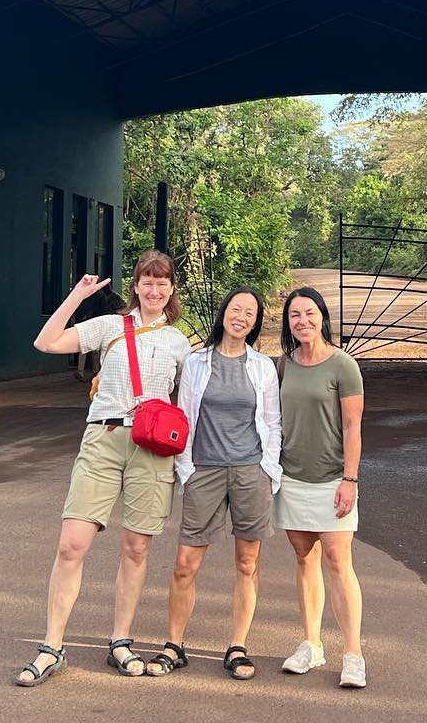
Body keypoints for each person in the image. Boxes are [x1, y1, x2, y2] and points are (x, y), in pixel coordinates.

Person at [15, 250, 192, 686]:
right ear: (136, 286)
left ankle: (120, 641)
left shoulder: (178, 342)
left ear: (171, 289)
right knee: (71, 545)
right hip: (103, 438)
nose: (154, 290)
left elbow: (190, 402)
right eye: (147, 281)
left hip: (152, 448)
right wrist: (77, 296)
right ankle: (52, 647)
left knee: (136, 548)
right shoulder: (110, 325)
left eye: (162, 282)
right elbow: (46, 343)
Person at [146, 287, 281, 681]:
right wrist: (186, 469)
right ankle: (174, 644)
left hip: (250, 472)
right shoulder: (196, 362)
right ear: (224, 313)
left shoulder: (262, 366)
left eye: (250, 313)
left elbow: (272, 421)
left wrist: (268, 469)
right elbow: (184, 415)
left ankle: (237, 646)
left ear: (255, 323)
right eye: (236, 309)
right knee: (185, 564)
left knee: (247, 563)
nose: (241, 317)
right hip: (204, 469)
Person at [275, 286, 367, 689]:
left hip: (333, 480)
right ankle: (311, 644)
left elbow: (352, 426)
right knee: (304, 558)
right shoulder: (284, 365)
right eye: (295, 315)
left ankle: (353, 654)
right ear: (288, 322)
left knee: (338, 562)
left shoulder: (343, 365)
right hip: (292, 479)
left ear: (322, 317)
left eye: (310, 313)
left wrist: (350, 479)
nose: (303, 321)